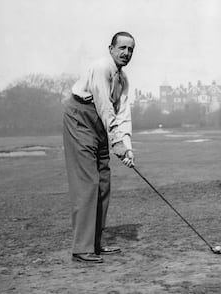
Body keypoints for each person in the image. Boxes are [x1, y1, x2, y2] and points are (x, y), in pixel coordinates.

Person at [63, 31, 136, 263]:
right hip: (80, 117)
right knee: (88, 183)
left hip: (101, 122)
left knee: (104, 182)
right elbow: (104, 105)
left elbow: (123, 113)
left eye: (131, 49)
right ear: (111, 49)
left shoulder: (123, 79)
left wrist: (127, 146)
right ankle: (81, 249)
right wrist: (116, 141)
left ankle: (94, 244)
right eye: (122, 48)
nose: (126, 53)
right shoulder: (101, 68)